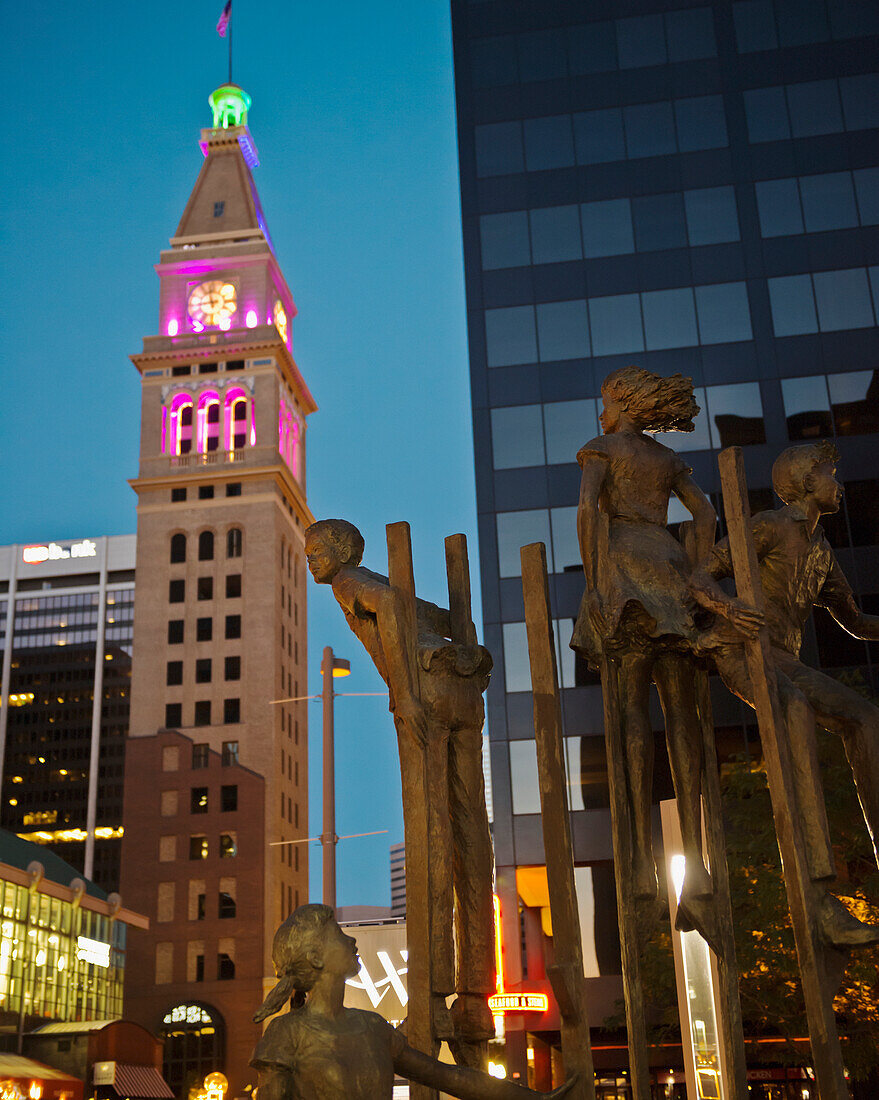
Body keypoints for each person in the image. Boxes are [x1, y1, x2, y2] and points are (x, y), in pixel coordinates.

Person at [571, 366, 760, 936]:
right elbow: (705, 514)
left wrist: (598, 581)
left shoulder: (602, 449)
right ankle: (698, 868)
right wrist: (697, 566)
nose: (601, 411)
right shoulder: (666, 461)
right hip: (671, 568)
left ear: (624, 402)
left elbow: (587, 513)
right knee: (686, 719)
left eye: (605, 401)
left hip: (625, 565)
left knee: (629, 710)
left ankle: (639, 866)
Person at [304, 519, 495, 1061]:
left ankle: (433, 998)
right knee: (471, 835)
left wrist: (405, 694)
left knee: (432, 834)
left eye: (316, 549)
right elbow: (437, 616)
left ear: (341, 550)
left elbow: (389, 608)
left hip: (428, 689)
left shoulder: (350, 581)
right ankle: (476, 998)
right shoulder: (375, 575)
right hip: (460, 686)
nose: (310, 559)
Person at [691, 440, 879, 947]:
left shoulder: (821, 551)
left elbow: (856, 623)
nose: (838, 483)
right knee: (793, 710)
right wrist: (729, 609)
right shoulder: (769, 525)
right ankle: (820, 899)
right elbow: (700, 574)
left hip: (786, 661)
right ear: (806, 482)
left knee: (866, 718)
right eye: (830, 474)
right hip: (741, 650)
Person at [251, 905, 577, 1100]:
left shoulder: (373, 1027)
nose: (350, 940)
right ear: (315, 957)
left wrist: (534, 1099)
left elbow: (449, 1077)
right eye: (338, 934)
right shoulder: (286, 1033)